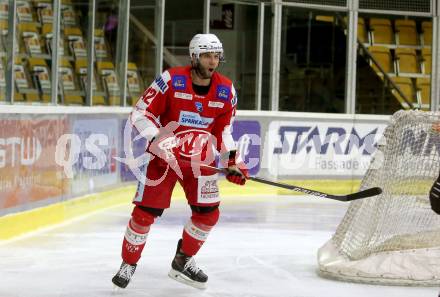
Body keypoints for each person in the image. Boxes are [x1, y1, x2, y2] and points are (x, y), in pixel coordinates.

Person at [112, 33, 249, 290]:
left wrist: (233, 160)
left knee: (208, 214)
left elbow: (224, 130)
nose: (213, 61)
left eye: (217, 56)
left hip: (201, 162)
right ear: (194, 56)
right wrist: (159, 138)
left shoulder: (225, 89)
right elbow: (141, 113)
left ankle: (182, 260)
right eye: (207, 55)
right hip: (164, 161)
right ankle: (128, 263)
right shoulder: (171, 80)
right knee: (144, 214)